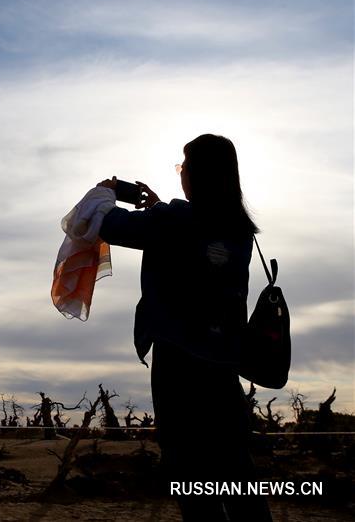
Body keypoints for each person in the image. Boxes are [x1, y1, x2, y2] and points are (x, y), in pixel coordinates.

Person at [97, 134, 272, 522]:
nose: (181, 174)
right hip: (224, 361)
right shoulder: (237, 227)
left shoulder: (177, 220)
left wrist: (105, 192)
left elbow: (111, 226)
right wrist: (159, 209)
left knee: (190, 476)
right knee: (237, 474)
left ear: (199, 173)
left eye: (184, 166)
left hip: (179, 362)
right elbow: (194, 248)